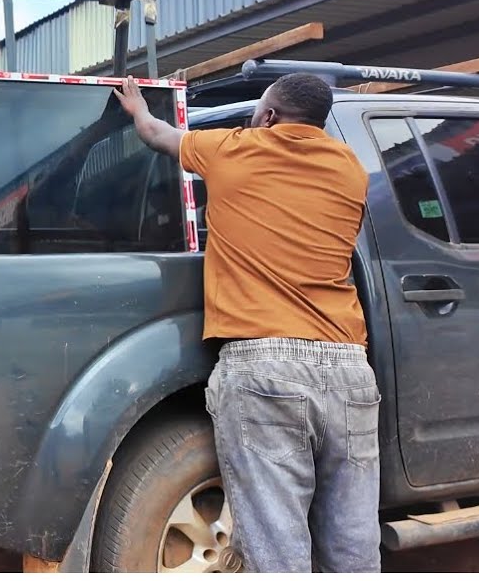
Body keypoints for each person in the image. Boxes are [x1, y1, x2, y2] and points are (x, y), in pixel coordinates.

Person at [113, 73, 378, 573]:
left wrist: (138, 108)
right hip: (349, 370)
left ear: (270, 117)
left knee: (276, 547)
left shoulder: (232, 150)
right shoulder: (350, 168)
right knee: (352, 543)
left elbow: (156, 136)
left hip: (266, 368)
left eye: (257, 111)